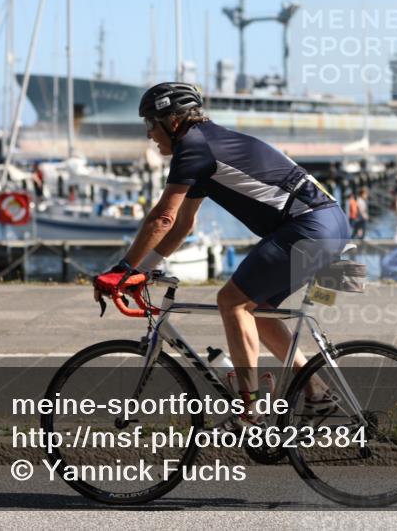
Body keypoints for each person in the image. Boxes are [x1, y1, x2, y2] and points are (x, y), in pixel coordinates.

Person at [93, 82, 348, 428]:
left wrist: (124, 269)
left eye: (150, 123)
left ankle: (250, 410)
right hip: (326, 224)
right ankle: (316, 389)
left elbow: (162, 218)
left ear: (172, 121)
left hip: (309, 227)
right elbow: (183, 225)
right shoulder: (205, 145)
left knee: (232, 302)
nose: (149, 134)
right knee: (257, 309)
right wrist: (147, 270)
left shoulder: (194, 148)